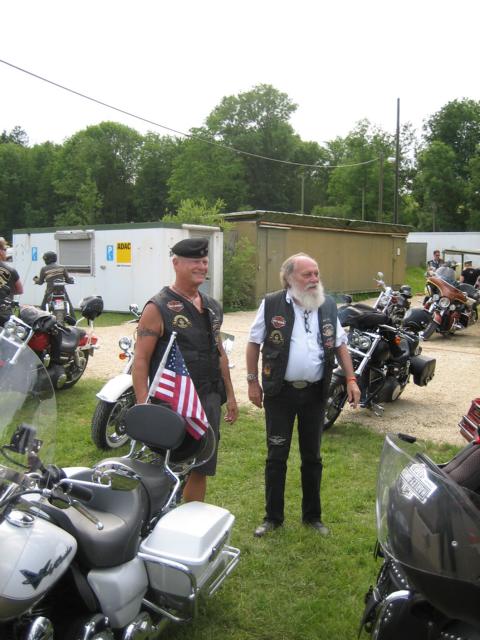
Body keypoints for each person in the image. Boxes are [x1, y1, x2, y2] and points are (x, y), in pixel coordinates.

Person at [246, 253, 361, 538]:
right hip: (280, 393)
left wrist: (351, 379)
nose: (314, 279)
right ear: (289, 278)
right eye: (307, 274)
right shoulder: (271, 304)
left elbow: (340, 345)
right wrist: (252, 382)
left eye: (316, 273)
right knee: (276, 456)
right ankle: (273, 518)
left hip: (315, 394)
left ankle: (313, 517)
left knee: (313, 457)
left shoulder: (327, 304)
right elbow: (253, 342)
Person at [132, 237, 238, 503]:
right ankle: (156, 513)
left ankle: (190, 518)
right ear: (176, 263)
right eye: (195, 261)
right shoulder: (158, 307)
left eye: (204, 261)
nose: (202, 266)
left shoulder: (212, 307)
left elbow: (219, 352)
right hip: (172, 401)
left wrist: (230, 395)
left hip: (208, 398)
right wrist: (143, 405)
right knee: (165, 464)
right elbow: (141, 359)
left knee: (201, 466)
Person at [33, 251, 76, 319]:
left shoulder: (44, 269)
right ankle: (73, 319)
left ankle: (41, 319)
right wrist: (71, 280)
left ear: (47, 259)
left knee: (43, 306)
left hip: (50, 291)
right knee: (68, 303)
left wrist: (36, 280)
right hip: (62, 291)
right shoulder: (62, 267)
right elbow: (68, 280)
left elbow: (40, 282)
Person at [0, 238, 23, 325]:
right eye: (5, 249)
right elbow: (20, 290)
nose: (6, 252)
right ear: (1, 251)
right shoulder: (11, 270)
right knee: (19, 325)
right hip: (6, 311)